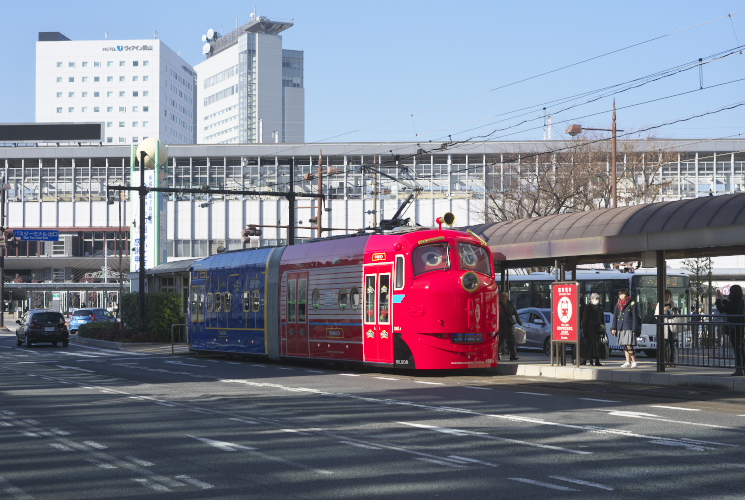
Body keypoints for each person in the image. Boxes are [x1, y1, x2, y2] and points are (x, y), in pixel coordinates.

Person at [715, 285, 745, 376]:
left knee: (737, 348)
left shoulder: (732, 303)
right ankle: (743, 367)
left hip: (733, 328)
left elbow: (722, 309)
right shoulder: (742, 302)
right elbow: (729, 306)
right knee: (741, 347)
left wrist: (717, 301)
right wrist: (723, 299)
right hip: (740, 327)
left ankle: (739, 369)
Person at [611, 288, 640, 368]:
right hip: (621, 327)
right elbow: (615, 316)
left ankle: (634, 361)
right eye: (620, 294)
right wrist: (614, 328)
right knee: (624, 345)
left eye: (623, 294)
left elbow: (635, 317)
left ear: (627, 295)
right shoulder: (618, 304)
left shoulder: (632, 303)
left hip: (629, 327)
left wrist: (635, 329)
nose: (621, 296)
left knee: (629, 345)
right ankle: (627, 361)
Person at [581, 293, 605, 366]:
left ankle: (597, 361)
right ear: (592, 299)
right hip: (590, 329)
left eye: (598, 299)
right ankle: (591, 361)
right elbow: (585, 320)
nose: (597, 300)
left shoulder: (600, 307)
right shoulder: (588, 307)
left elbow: (602, 319)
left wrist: (603, 328)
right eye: (596, 299)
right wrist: (585, 331)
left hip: (598, 329)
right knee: (590, 345)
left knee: (598, 345)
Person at [498, 291, 522, 361]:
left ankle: (513, 355)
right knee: (500, 341)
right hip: (501, 325)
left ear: (506, 297)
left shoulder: (510, 304)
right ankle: (497, 355)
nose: (502, 298)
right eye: (501, 297)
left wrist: (520, 322)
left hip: (509, 325)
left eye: (504, 297)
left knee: (511, 341)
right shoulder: (498, 304)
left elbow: (515, 313)